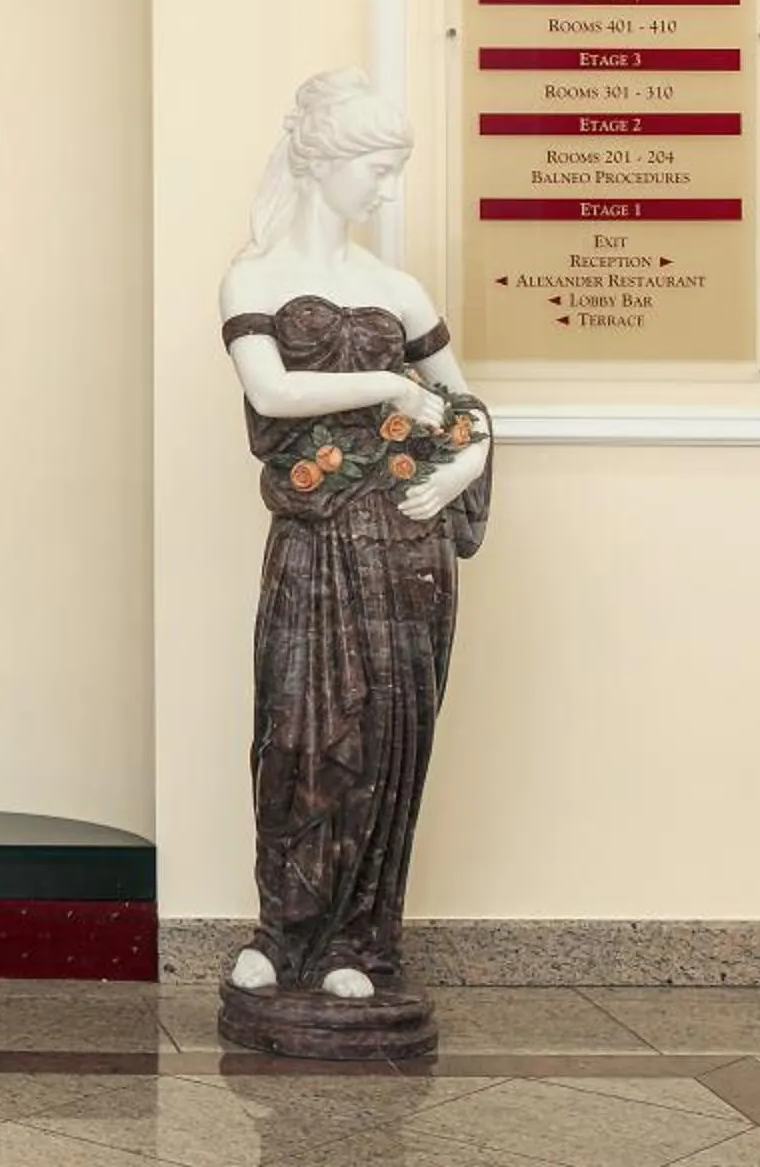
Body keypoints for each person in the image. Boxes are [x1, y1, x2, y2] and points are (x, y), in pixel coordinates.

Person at [218, 69, 493, 1001]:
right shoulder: (254, 277)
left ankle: (361, 943)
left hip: (404, 546)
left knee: (382, 742)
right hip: (315, 537)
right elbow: (271, 393)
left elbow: (470, 410)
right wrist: (388, 389)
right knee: (297, 730)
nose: (387, 190)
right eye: (377, 169)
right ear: (322, 161)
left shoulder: (396, 288)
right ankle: (282, 929)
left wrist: (459, 466)